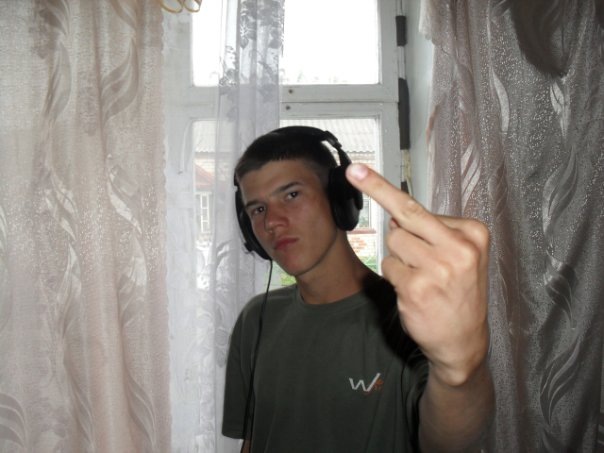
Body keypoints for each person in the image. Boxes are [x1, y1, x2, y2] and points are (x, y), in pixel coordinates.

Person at [223, 126, 494, 452]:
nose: (272, 222)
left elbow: (447, 442)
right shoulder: (256, 318)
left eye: (292, 195)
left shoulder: (412, 316)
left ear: (341, 199)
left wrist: (459, 374)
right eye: (257, 209)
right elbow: (253, 441)